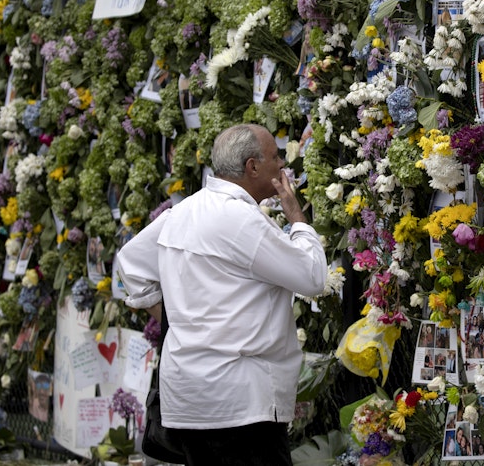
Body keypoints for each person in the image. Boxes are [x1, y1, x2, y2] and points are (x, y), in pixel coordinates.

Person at [118, 123, 327, 466]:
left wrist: (176, 322)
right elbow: (312, 277)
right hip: (240, 403)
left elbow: (131, 266)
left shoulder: (183, 211)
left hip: (189, 396)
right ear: (252, 167)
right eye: (275, 157)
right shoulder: (240, 220)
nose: (283, 167)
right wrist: (296, 217)